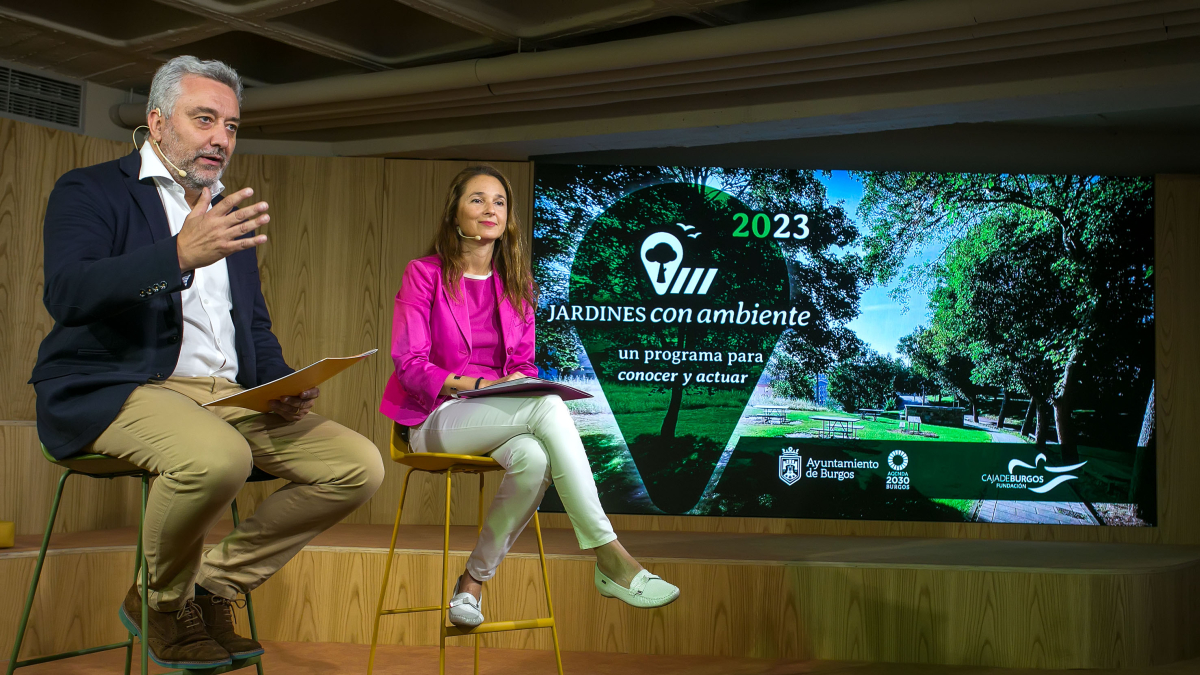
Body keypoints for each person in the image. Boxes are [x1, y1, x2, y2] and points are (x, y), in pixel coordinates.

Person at [30, 56, 384, 669]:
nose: (221, 138)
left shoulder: (226, 209)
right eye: (205, 119)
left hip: (224, 396)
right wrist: (177, 254)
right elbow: (68, 291)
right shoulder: (91, 189)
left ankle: (212, 588)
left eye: (232, 125)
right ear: (158, 122)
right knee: (219, 456)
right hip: (121, 386)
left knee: (357, 465)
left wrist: (280, 384)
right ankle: (160, 602)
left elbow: (252, 325)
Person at [380, 165, 679, 628]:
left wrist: (512, 383)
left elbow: (523, 365)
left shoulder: (517, 283)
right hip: (433, 415)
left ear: (508, 218)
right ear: (454, 214)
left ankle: (471, 585)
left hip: (493, 415)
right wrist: (478, 386)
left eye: (499, 202)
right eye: (477, 199)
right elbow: (410, 361)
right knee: (548, 404)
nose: (490, 209)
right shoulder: (424, 274)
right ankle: (610, 556)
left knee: (535, 460)